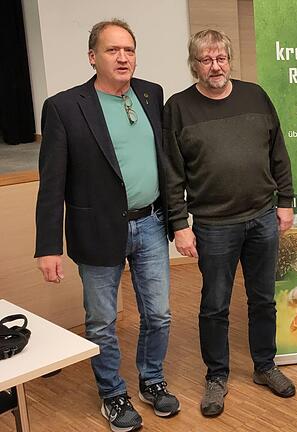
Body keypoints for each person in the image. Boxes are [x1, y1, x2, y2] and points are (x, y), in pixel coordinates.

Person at [34, 19, 179, 432]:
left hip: (150, 223)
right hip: (96, 230)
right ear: (92, 57)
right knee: (101, 321)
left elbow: (164, 162)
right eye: (113, 50)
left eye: (129, 50)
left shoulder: (151, 94)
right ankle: (113, 394)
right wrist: (48, 246)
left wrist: (177, 220)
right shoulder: (64, 107)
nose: (123, 57)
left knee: (160, 314)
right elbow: (52, 183)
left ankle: (152, 381)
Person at [163, 29, 296, 416]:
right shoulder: (178, 108)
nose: (215, 66)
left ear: (229, 60)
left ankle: (264, 366)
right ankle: (216, 376)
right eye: (206, 60)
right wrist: (179, 223)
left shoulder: (256, 96)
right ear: (194, 65)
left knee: (262, 299)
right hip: (212, 224)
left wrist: (285, 201)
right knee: (215, 304)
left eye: (220, 58)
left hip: (261, 218)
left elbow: (279, 153)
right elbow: (171, 173)